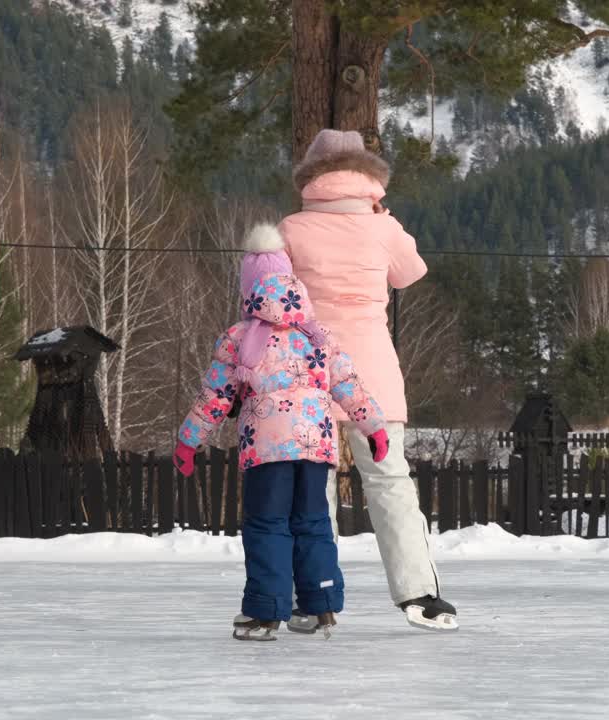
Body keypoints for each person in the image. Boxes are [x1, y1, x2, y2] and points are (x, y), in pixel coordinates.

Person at [173, 224, 390, 642]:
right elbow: (350, 385)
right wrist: (374, 426)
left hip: (267, 451)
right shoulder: (317, 335)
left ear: (250, 289)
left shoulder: (240, 338)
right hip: (315, 448)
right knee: (312, 522)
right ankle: (319, 604)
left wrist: (188, 440)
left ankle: (265, 612)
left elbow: (215, 396)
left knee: (268, 524)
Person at [279, 129, 458, 631]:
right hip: (372, 370)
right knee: (390, 482)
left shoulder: (290, 228)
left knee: (314, 491)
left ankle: (315, 600)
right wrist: (385, 221)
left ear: (311, 175)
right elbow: (410, 272)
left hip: (307, 372)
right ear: (367, 174)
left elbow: (272, 296)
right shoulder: (385, 228)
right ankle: (419, 594)